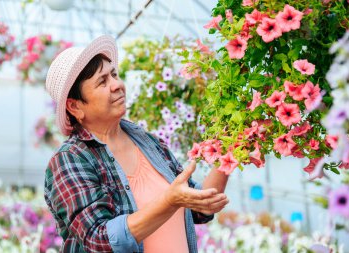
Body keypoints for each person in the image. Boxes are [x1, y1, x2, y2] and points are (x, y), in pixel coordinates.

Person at [44, 35, 230, 253]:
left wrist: (228, 152)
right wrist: (170, 201)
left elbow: (200, 207)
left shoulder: (146, 142)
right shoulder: (71, 160)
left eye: (114, 74)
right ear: (75, 107)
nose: (117, 85)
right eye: (102, 82)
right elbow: (99, 240)